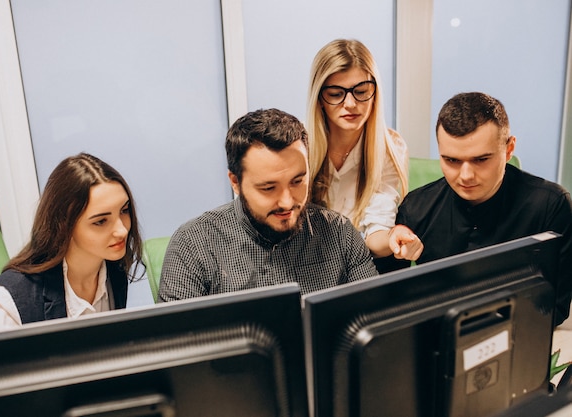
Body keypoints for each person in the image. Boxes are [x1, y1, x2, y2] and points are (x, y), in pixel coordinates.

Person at [381, 92, 572, 325]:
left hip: (517, 340)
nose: (466, 176)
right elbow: (386, 305)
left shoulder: (551, 205)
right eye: (451, 160)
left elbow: (556, 308)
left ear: (509, 149)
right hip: (437, 340)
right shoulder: (416, 208)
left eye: (481, 160)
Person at [157, 108, 378, 301]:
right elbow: (172, 344)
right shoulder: (194, 246)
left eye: (297, 181)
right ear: (235, 182)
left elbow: (377, 325)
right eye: (268, 188)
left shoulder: (339, 234)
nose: (287, 201)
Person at [0, 152, 144, 333]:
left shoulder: (114, 271)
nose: (121, 230)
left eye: (124, 210)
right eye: (100, 221)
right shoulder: (5, 302)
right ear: (64, 225)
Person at [306, 38, 422, 263]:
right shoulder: (299, 146)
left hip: (362, 262)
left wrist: (391, 238)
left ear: (375, 92)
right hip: (307, 262)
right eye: (336, 94)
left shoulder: (390, 147)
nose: (350, 103)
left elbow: (376, 232)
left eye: (361, 91)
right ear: (319, 98)